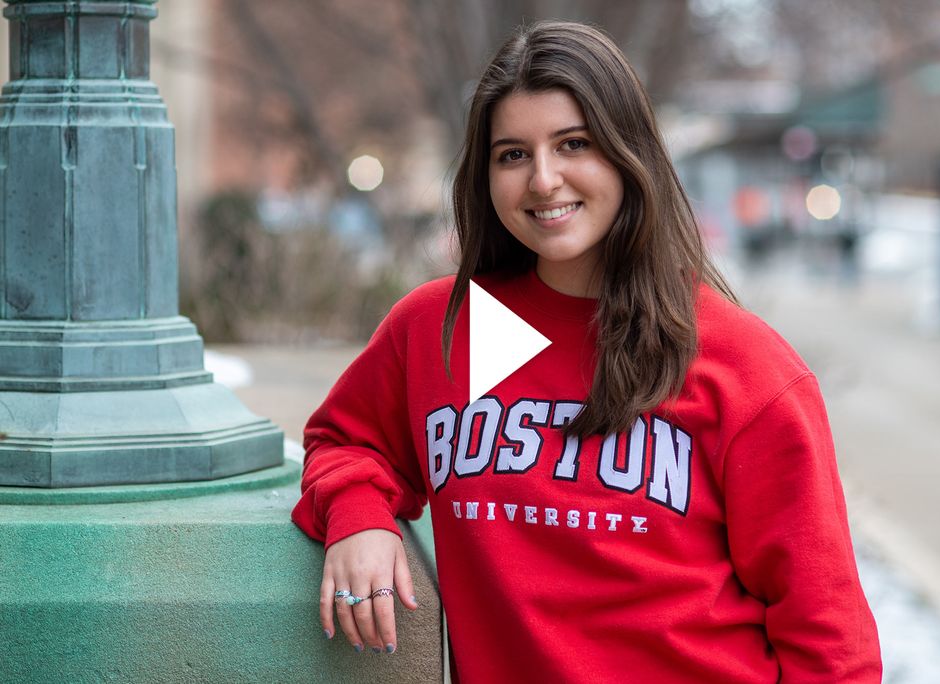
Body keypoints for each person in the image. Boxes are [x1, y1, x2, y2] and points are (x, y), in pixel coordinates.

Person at [292, 20, 882, 683]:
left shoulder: (746, 368)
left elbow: (831, 643)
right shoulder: (441, 328)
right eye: (512, 154)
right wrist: (359, 518)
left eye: (573, 144)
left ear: (628, 155)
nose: (544, 180)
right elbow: (346, 441)